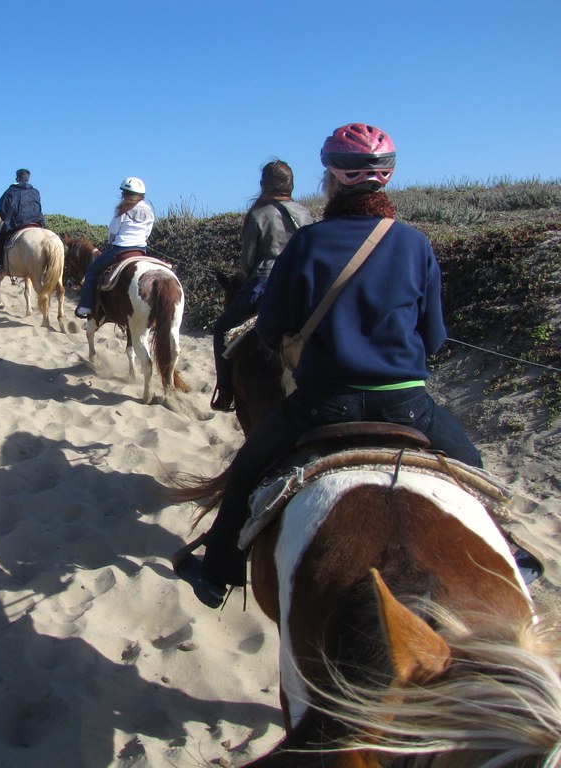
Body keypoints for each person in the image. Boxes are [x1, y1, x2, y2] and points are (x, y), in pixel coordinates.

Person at [177, 122, 483, 608]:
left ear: (333, 179)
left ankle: (217, 574)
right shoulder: (415, 243)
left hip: (323, 405)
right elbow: (434, 339)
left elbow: (271, 330)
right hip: (407, 406)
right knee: (474, 469)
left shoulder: (309, 244)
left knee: (247, 471)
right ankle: (513, 554)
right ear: (386, 178)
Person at [210, 161, 313, 411]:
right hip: (300, 285)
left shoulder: (258, 215)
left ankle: (225, 393)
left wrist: (240, 277)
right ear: (291, 185)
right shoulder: (306, 214)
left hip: (265, 283)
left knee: (222, 328)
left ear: (263, 185)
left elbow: (246, 263)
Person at [75, 177, 155, 318]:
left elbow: (112, 231)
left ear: (124, 194)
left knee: (92, 270)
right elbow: (148, 232)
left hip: (121, 249)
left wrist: (112, 239)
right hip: (141, 251)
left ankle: (85, 306)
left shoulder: (122, 210)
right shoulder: (149, 211)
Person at [0, 169, 45, 273]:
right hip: (37, 221)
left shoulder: (11, 191)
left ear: (17, 178)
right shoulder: (35, 191)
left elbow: (2, 205)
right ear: (28, 178)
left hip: (19, 222)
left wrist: (5, 219)